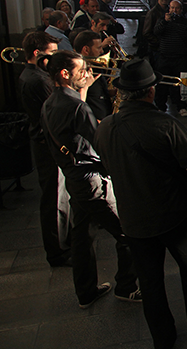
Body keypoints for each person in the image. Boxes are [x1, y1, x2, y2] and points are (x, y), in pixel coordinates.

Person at [94, 57, 187, 349]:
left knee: (150, 283)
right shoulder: (164, 123)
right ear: (150, 91)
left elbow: (107, 165)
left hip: (134, 220)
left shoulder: (106, 126)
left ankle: (163, 341)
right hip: (173, 214)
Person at [41, 51, 139, 309]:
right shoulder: (77, 107)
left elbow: (70, 131)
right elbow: (101, 140)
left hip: (73, 178)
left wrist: (83, 90)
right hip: (92, 182)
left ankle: (86, 292)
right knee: (128, 234)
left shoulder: (51, 102)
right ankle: (127, 287)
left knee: (82, 238)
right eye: (81, 70)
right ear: (65, 74)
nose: (87, 73)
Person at [18, 31, 68, 267]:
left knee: (57, 198)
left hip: (44, 142)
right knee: (53, 200)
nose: (56, 57)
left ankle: (61, 245)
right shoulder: (39, 79)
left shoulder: (34, 74)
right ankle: (57, 251)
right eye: (53, 53)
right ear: (38, 54)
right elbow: (57, 113)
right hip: (47, 145)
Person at [153, 0, 187, 117]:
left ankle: (180, 106)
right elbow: (156, 31)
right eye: (172, 7)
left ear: (181, 10)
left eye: (176, 8)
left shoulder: (186, 23)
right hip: (164, 57)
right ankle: (161, 107)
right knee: (162, 83)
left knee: (178, 84)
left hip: (180, 58)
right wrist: (165, 22)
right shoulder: (163, 20)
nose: (174, 10)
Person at [73, 29, 113, 120]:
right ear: (86, 49)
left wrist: (110, 92)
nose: (102, 51)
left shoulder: (95, 67)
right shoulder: (78, 73)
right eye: (98, 48)